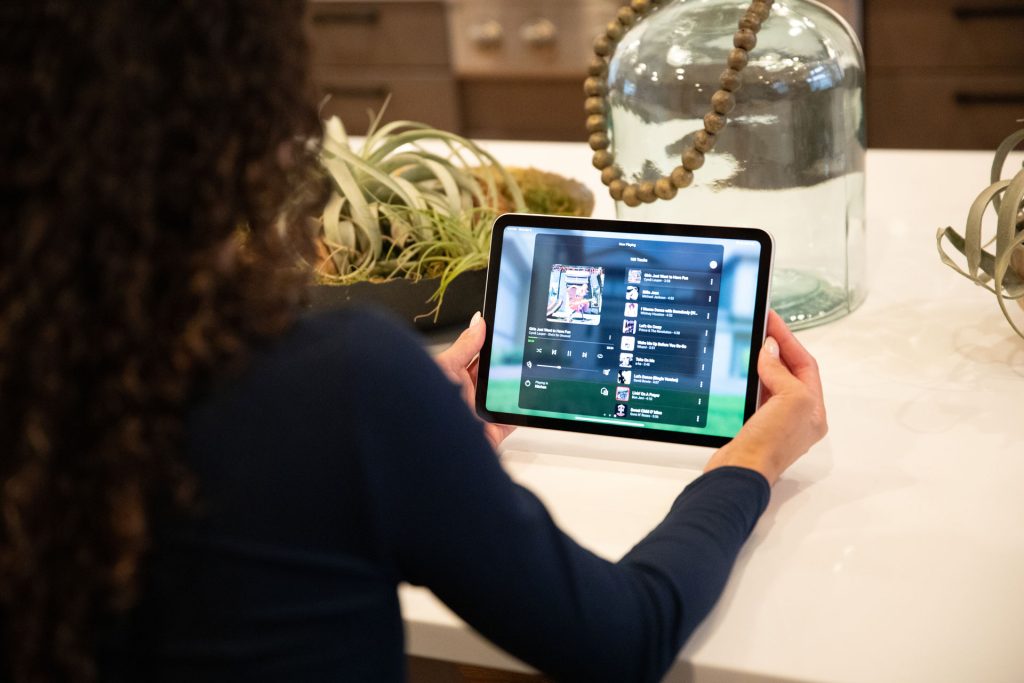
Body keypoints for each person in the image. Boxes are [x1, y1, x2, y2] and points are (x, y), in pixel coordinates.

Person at [0, 3, 827, 682]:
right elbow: (625, 637)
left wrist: (417, 440)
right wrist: (752, 459)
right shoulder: (342, 385)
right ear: (247, 111)